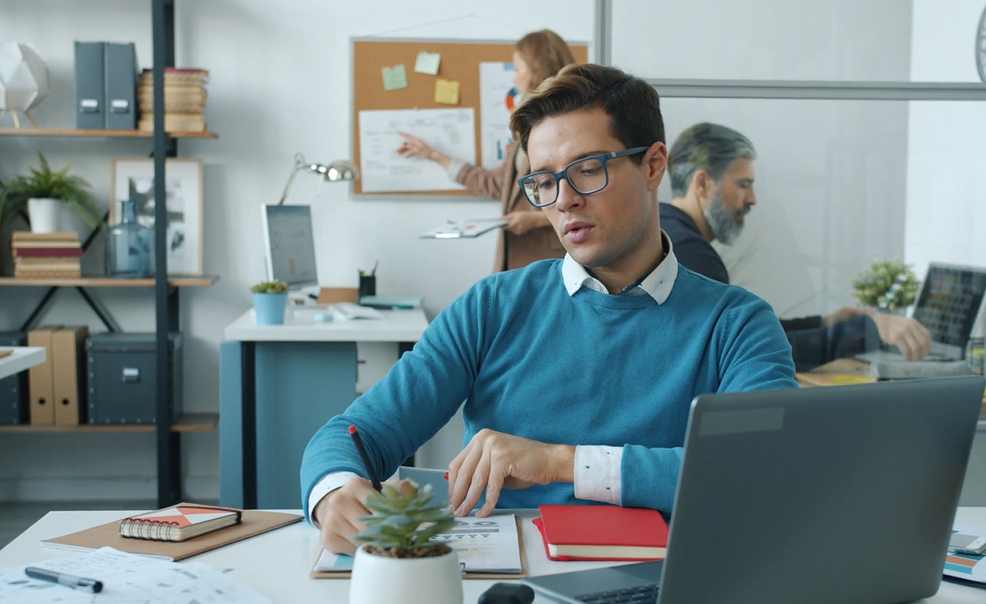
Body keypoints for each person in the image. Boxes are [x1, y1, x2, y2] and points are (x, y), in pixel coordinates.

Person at [302, 64, 798, 556]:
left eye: (588, 170)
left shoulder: (739, 324)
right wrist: (333, 492)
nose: (563, 201)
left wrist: (563, 463)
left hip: (664, 588)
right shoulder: (491, 307)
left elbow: (762, 470)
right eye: (543, 181)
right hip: (507, 593)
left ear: (652, 165)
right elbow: (355, 433)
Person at [663, 122, 932, 370]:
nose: (753, 199)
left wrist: (823, 324)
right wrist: (866, 330)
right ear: (702, 183)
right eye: (743, 184)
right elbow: (753, 350)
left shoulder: (670, 232)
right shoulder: (692, 255)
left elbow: (747, 332)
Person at [396, 29, 575, 271]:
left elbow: (584, 197)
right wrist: (434, 155)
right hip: (516, 260)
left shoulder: (567, 128)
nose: (514, 79)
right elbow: (497, 184)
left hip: (549, 259)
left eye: (517, 69)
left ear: (536, 71)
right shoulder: (525, 126)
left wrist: (533, 220)